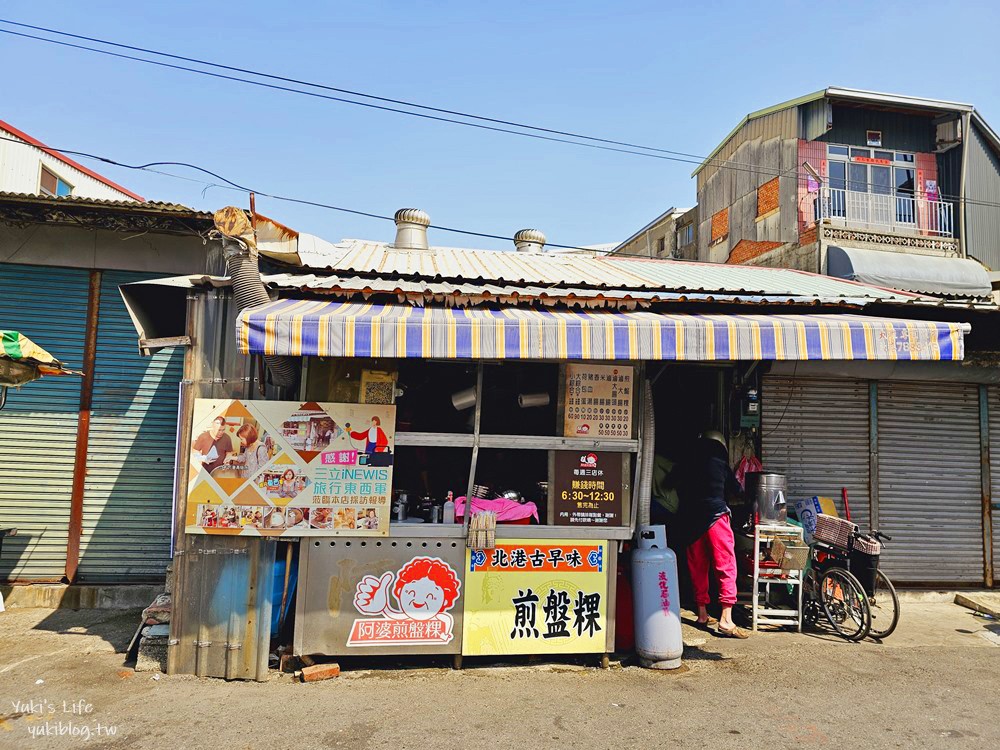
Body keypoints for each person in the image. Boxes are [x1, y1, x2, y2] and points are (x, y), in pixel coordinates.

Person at [683, 430, 748, 639]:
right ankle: (726, 619)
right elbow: (737, 491)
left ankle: (702, 614)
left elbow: (674, 485)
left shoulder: (689, 463)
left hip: (692, 519)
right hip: (716, 518)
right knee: (725, 564)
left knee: (698, 566)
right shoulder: (720, 463)